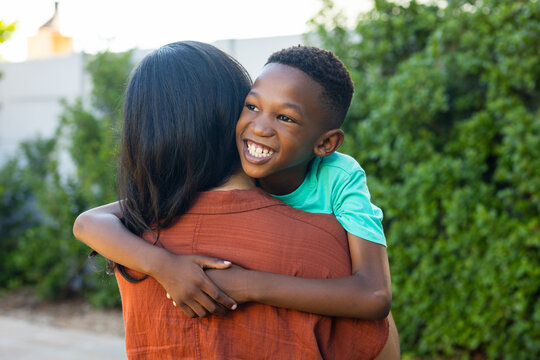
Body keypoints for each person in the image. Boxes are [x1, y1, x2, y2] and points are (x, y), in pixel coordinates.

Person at [73, 41, 395, 358]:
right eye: (252, 107)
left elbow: (375, 294)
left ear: (326, 143)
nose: (260, 127)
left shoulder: (338, 179)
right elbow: (87, 223)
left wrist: (247, 284)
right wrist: (165, 266)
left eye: (285, 118)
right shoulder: (241, 176)